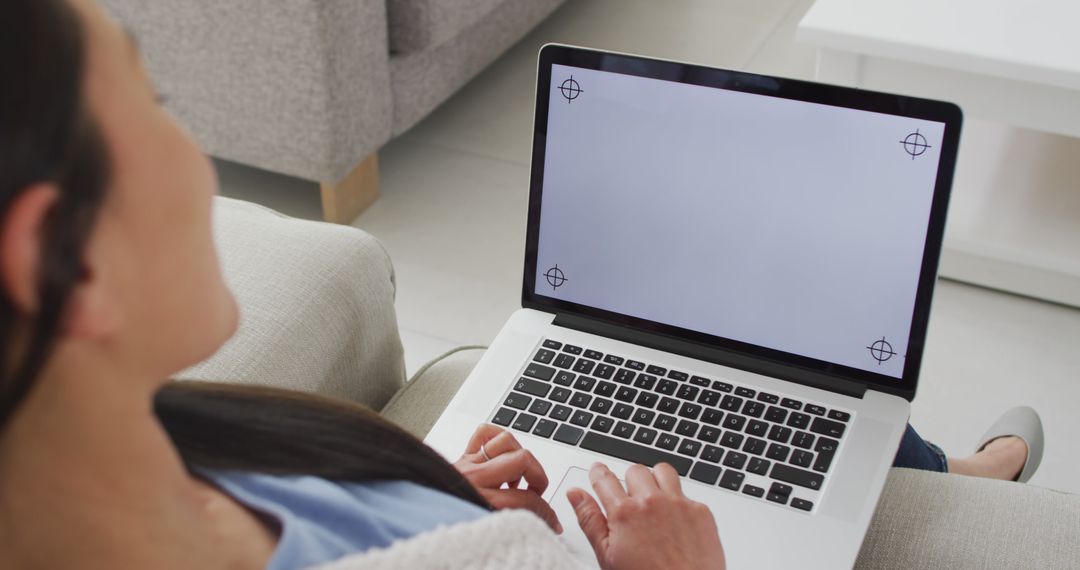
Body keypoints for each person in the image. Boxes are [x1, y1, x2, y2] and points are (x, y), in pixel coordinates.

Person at [0, 1, 1037, 569]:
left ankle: (949, 464)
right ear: (65, 259)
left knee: (795, 376)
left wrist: (421, 494)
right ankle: (967, 475)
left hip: (497, 492)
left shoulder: (170, 452)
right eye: (157, 101)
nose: (194, 149)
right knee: (808, 376)